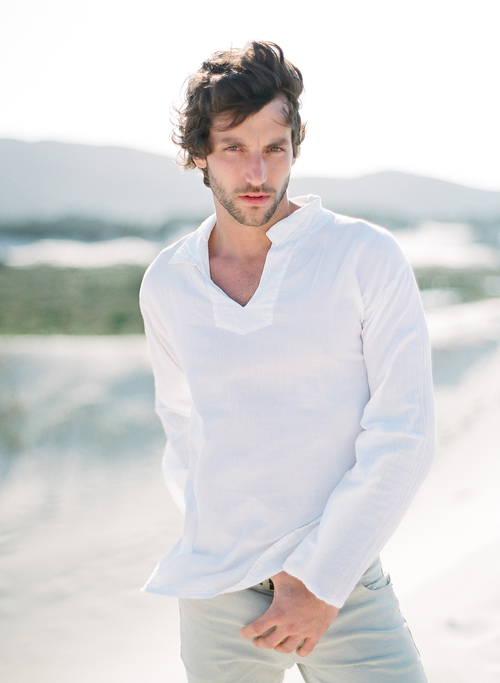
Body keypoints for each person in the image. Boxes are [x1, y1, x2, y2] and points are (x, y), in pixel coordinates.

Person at [139, 40, 435, 683]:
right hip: (217, 588)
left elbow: (405, 433)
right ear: (199, 154)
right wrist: (227, 538)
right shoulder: (168, 282)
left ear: (295, 147)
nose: (257, 173)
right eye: (234, 148)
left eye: (274, 148)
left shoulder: (365, 256)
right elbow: (182, 427)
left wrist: (320, 579)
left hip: (341, 584)